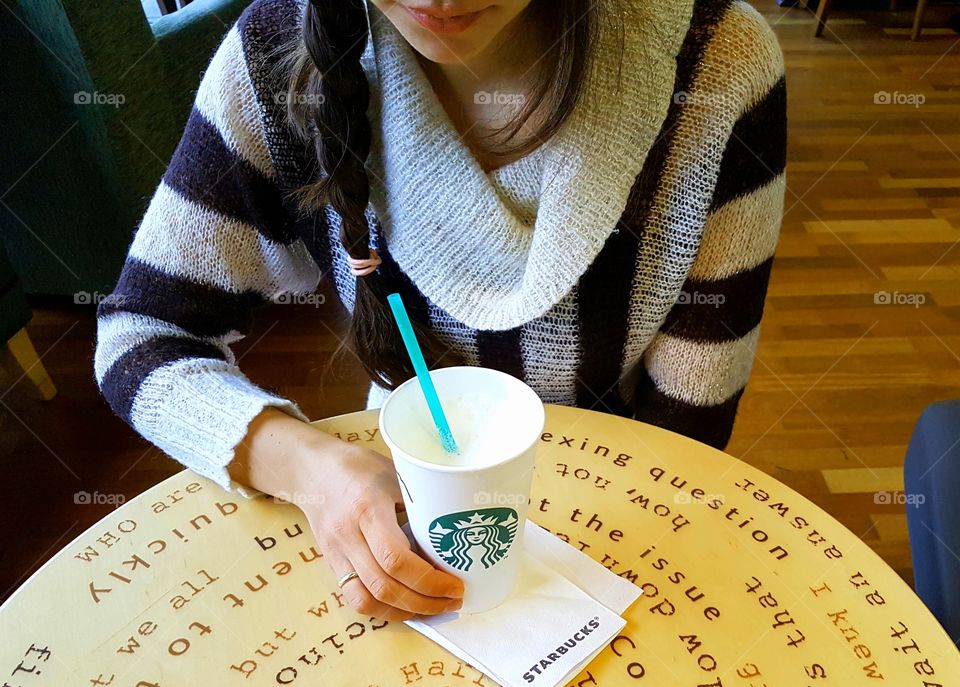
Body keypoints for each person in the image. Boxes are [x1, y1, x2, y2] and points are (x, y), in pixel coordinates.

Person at [94, 0, 787, 622]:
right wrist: (312, 471)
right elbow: (141, 331)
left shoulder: (716, 67)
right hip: (399, 508)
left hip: (622, 525)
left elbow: (689, 432)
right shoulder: (277, 56)